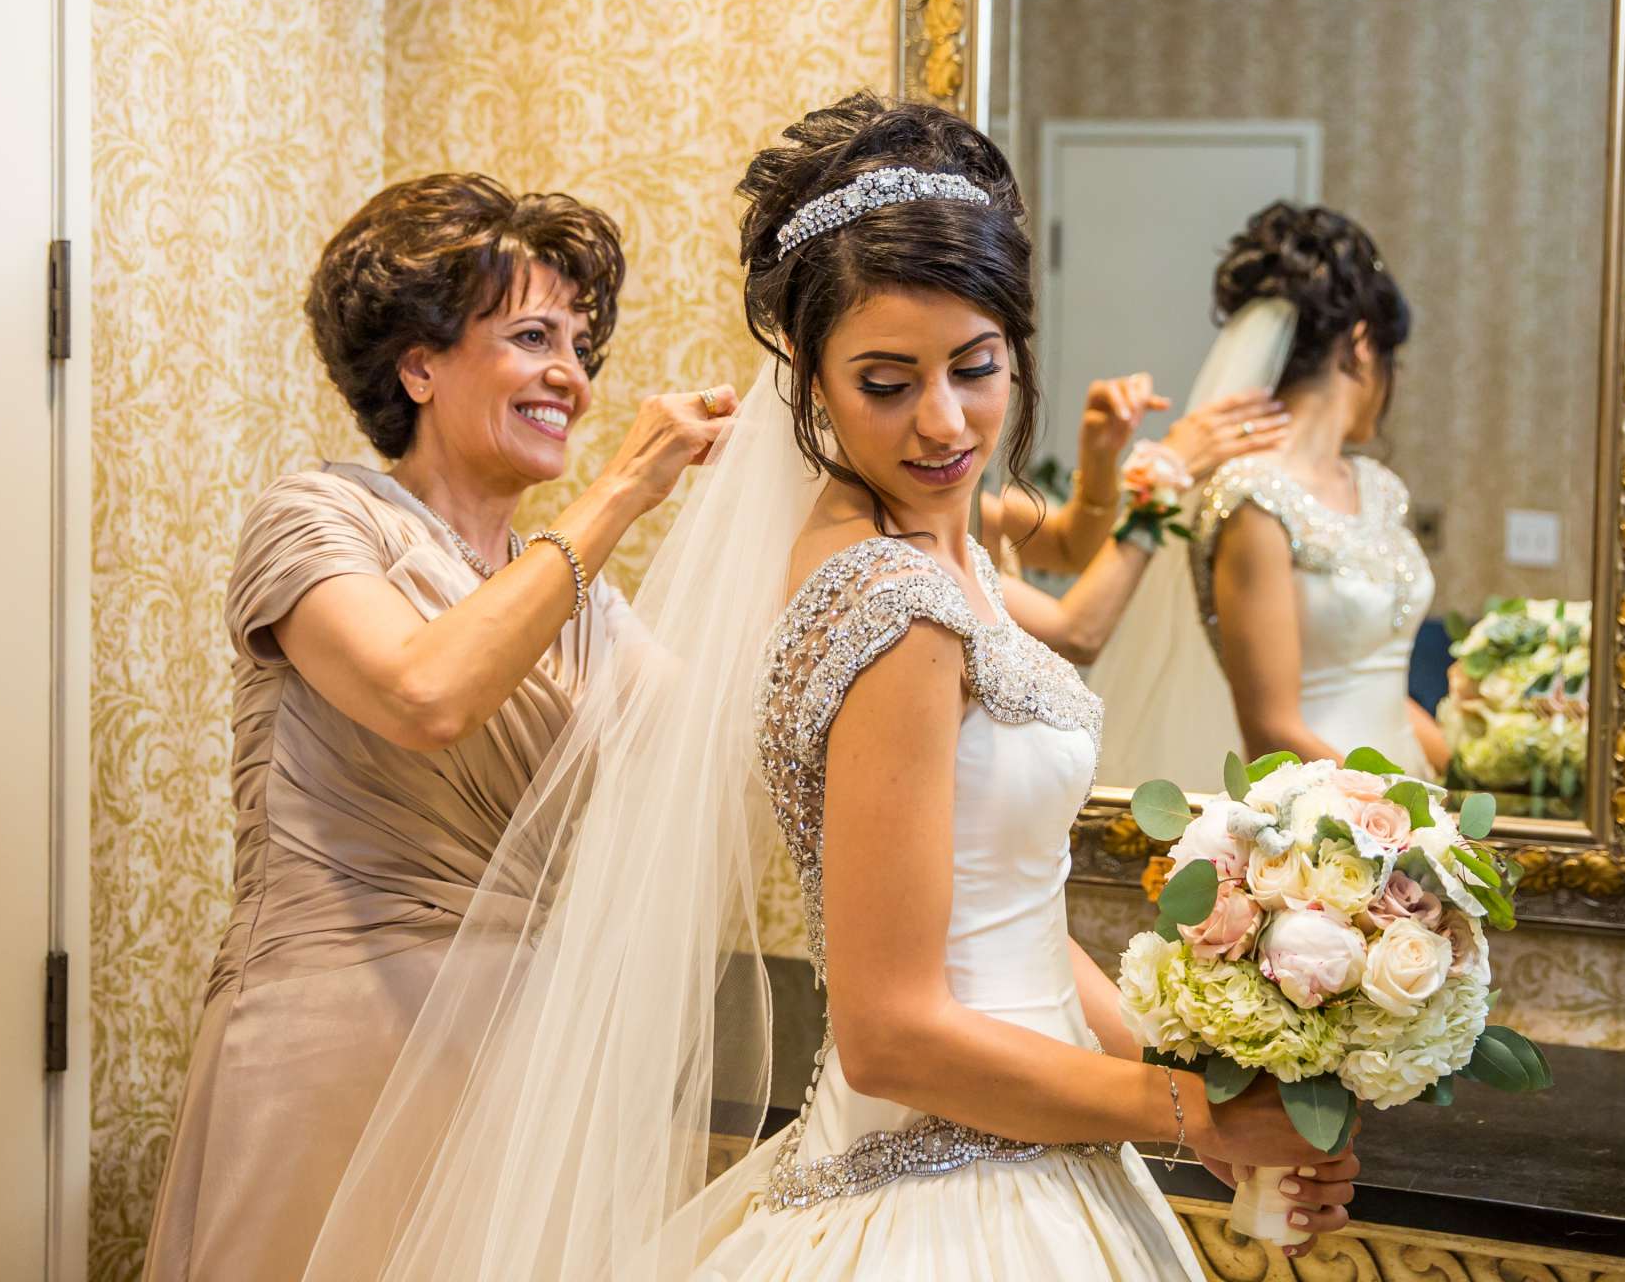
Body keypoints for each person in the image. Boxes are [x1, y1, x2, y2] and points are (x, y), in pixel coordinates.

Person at [298, 100, 1358, 1281]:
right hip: (937, 1196)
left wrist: (1213, 1087)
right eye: (886, 381)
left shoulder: (959, 562)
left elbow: (1024, 930)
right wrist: (1180, 1111)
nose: (944, 420)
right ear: (809, 382)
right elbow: (890, 1033)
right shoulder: (886, 603)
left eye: (976, 367)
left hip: (1038, 1153)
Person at [141, 174, 734, 1282]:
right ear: (418, 364)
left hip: (520, 1067)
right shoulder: (318, 518)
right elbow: (425, 694)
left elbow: (721, 747)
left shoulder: (582, 605)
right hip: (340, 1044)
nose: (571, 373)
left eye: (580, 342)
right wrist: (621, 494)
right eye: (531, 336)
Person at [1092, 202, 1446, 791]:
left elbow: (1375, 685)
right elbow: (1271, 731)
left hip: (1403, 793)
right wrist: (1404, 820)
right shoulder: (1254, 499)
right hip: (1330, 814)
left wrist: (1461, 765)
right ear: (1361, 345)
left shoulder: (1379, 490)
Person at [974, 374, 1287, 664]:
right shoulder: (925, 531)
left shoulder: (971, 504)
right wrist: (1163, 476)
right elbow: (1077, 634)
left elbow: (1068, 548)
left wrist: (1099, 458)